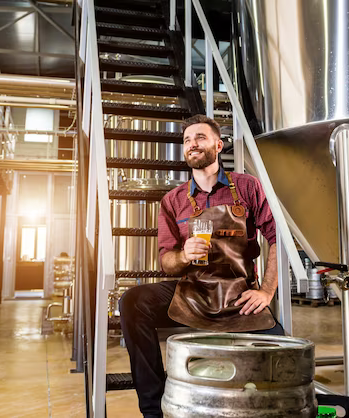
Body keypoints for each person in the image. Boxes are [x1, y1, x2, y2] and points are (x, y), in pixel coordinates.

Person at [119, 114, 284, 418]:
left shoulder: (247, 187)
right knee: (132, 302)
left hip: (239, 295)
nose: (192, 144)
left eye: (200, 138)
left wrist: (266, 291)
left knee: (283, 359)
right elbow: (166, 261)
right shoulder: (173, 201)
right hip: (192, 293)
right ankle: (154, 410)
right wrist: (184, 255)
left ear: (218, 145)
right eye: (186, 140)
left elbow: (278, 238)